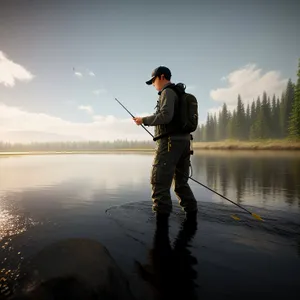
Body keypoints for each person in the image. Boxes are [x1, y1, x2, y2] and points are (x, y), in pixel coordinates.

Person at [133, 66, 198, 216]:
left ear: (162, 77)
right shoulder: (178, 93)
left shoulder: (167, 92)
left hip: (169, 144)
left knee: (159, 184)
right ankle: (192, 216)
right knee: (181, 184)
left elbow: (165, 116)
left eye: (154, 80)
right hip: (184, 144)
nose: (154, 84)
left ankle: (161, 226)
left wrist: (143, 120)